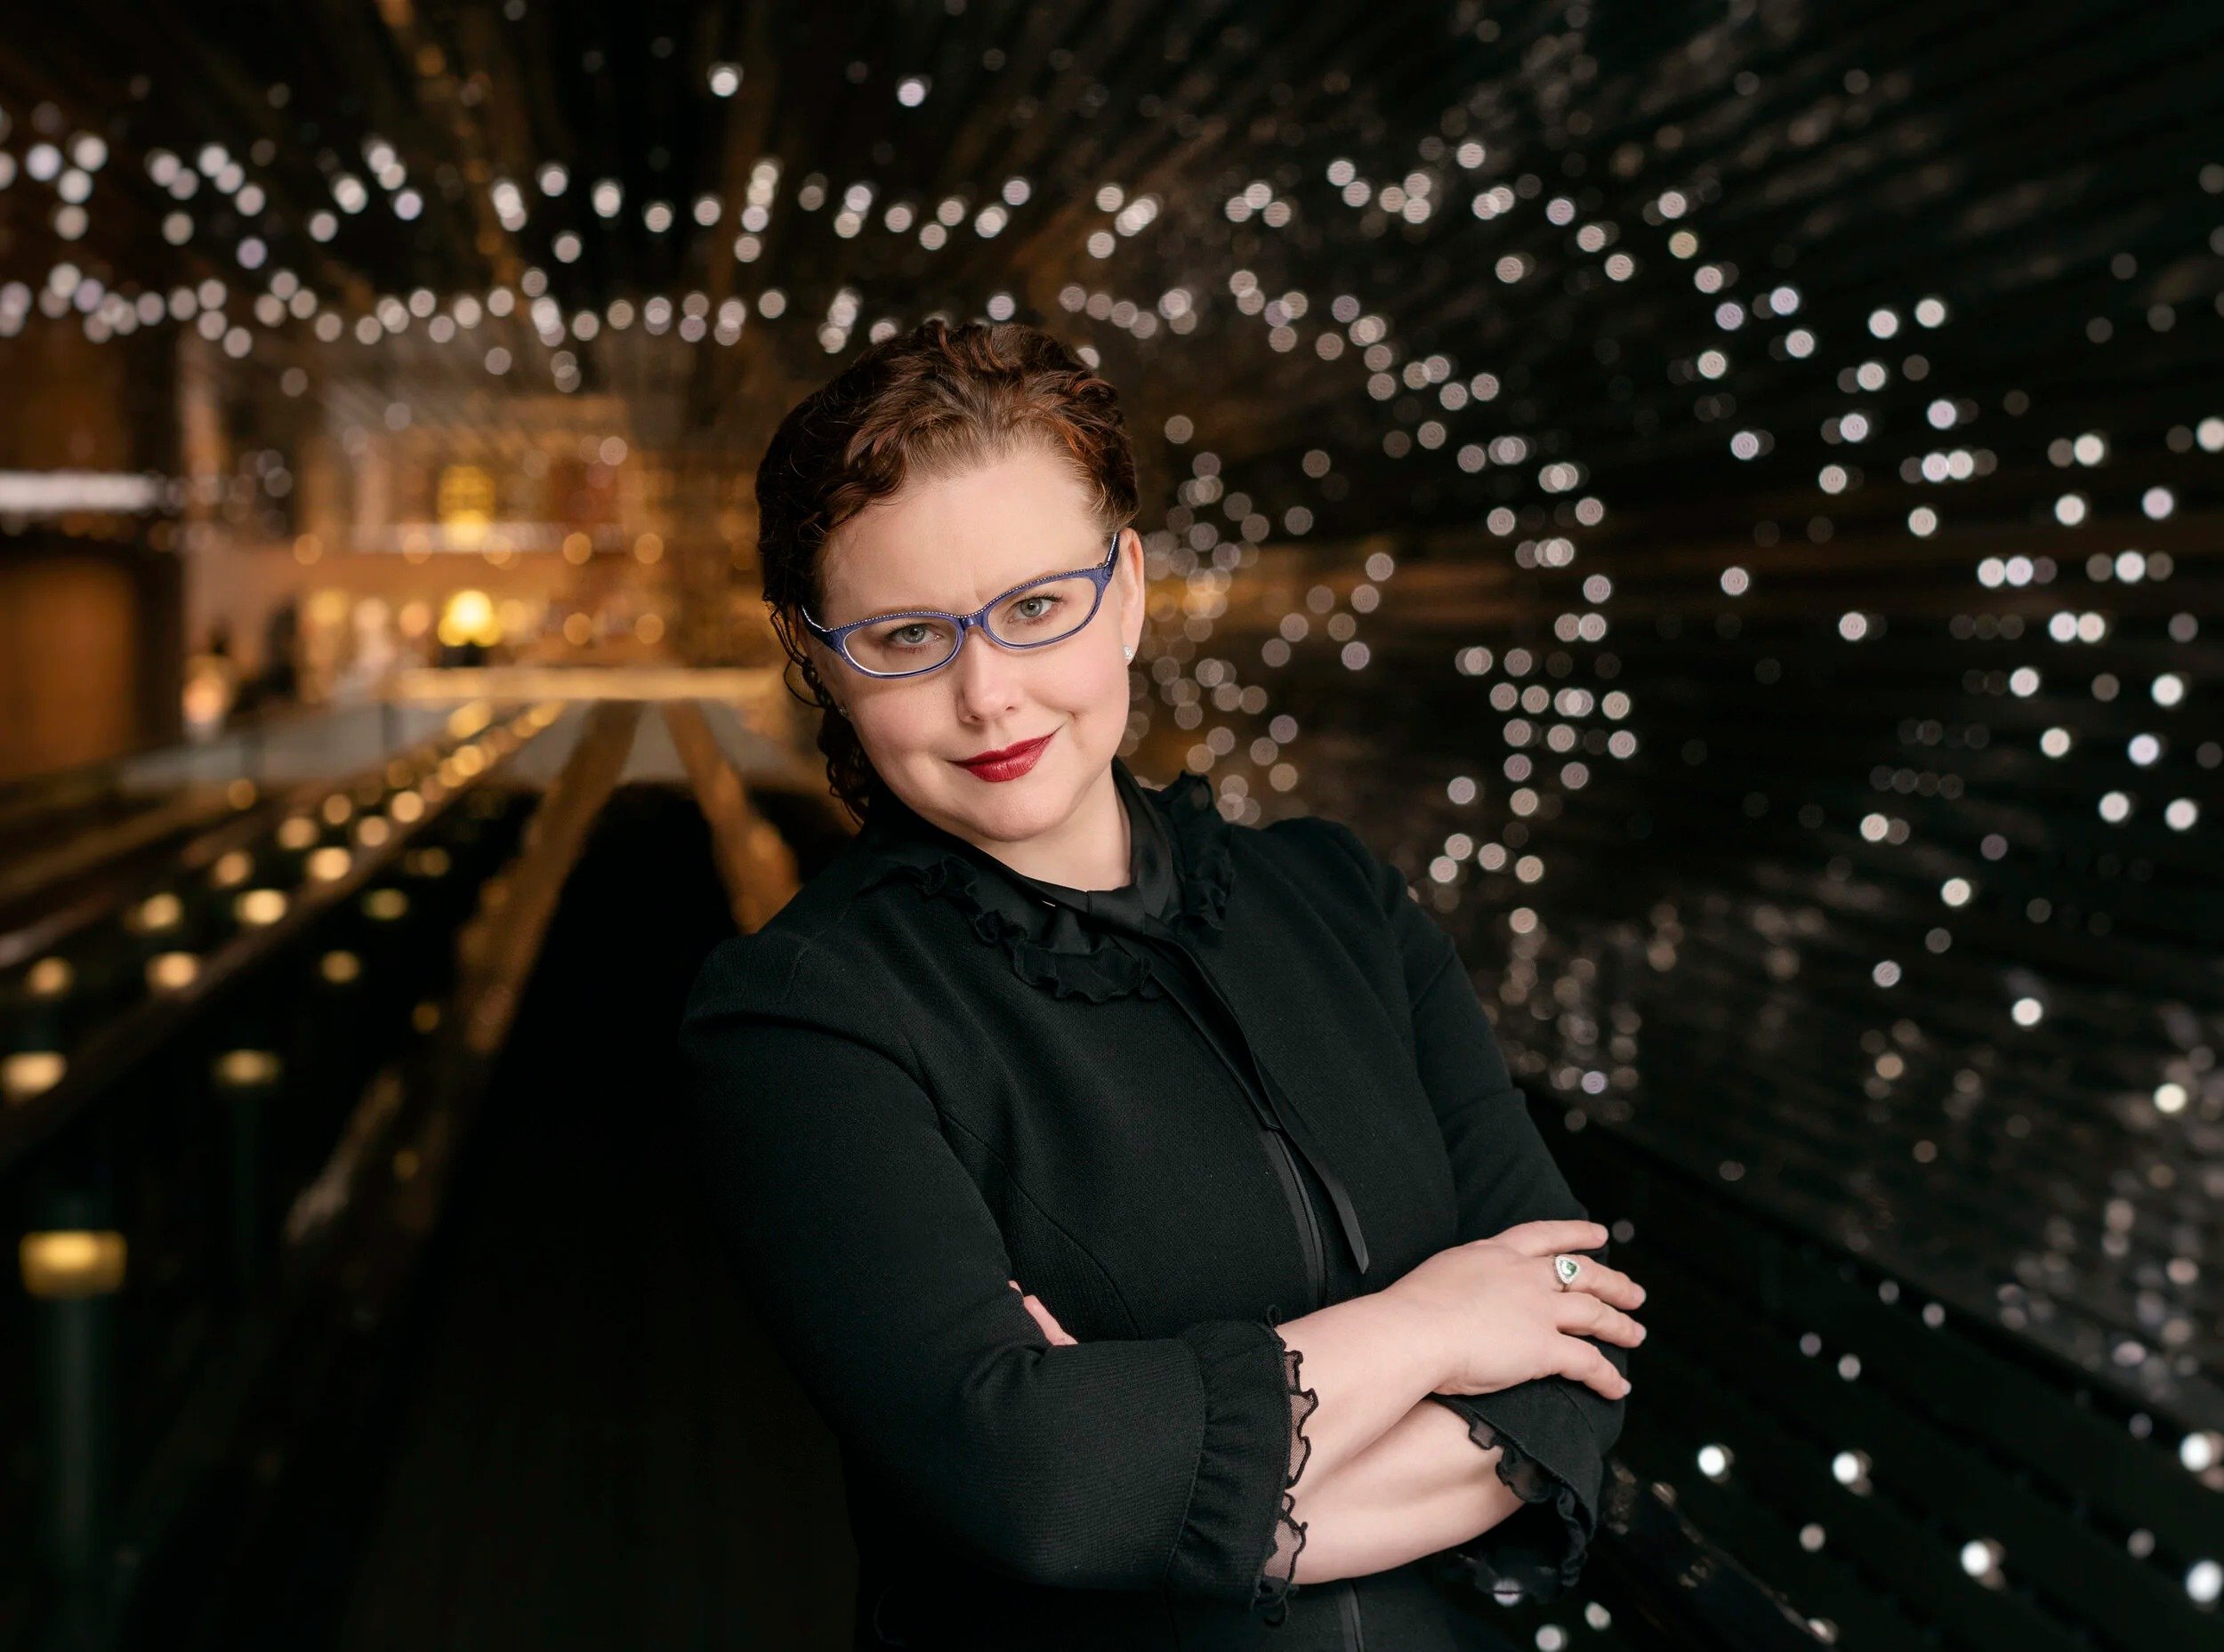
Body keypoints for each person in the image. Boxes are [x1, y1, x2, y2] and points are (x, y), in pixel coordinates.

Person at [674, 318, 1645, 1651]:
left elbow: (1580, 1351)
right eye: (907, 636)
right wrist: (1434, 1327)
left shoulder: (1343, 903)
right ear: (823, 658)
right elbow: (1041, 1486)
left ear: (1127, 589)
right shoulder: (800, 1015)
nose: (987, 695)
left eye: (1035, 609)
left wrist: (1158, 1473)